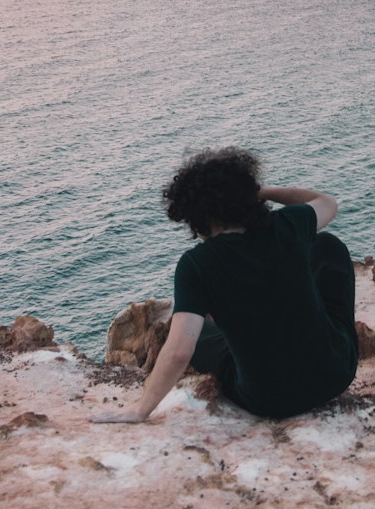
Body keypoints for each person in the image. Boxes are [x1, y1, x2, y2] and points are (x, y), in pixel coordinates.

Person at [89, 147, 358, 423]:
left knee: (199, 333)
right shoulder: (289, 224)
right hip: (336, 375)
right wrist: (261, 191)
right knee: (328, 246)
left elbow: (181, 350)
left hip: (268, 400)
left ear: (192, 214)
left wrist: (139, 410)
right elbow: (326, 201)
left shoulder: (196, 264)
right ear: (249, 197)